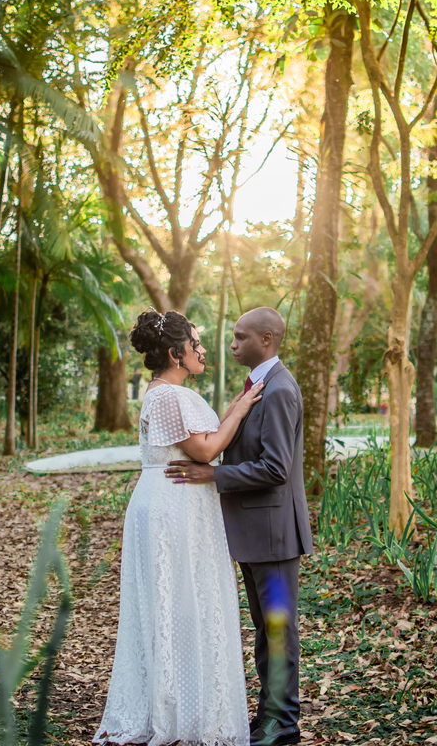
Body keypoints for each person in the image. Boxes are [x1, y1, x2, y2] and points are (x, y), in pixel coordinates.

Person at [95, 310, 265, 746]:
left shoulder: (172, 393)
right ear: (175, 353)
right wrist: (240, 410)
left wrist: (234, 408)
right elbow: (204, 451)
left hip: (183, 502)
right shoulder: (167, 396)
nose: (202, 350)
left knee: (188, 600)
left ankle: (187, 700)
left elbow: (202, 440)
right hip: (171, 507)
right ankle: (178, 710)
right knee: (179, 602)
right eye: (195, 343)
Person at [168, 307, 313, 746]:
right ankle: (269, 716)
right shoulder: (258, 387)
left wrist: (214, 474)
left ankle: (282, 724)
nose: (232, 345)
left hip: (275, 535)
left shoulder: (280, 390)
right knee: (265, 631)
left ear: (266, 339)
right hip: (255, 534)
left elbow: (276, 468)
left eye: (240, 337)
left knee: (278, 631)